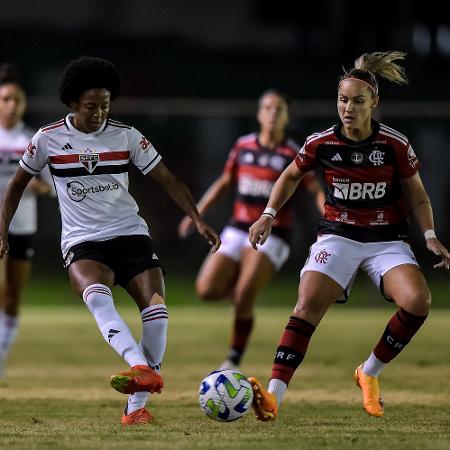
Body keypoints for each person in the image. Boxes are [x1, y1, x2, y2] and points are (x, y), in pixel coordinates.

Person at [0, 57, 220, 425]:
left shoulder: (127, 135)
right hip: (82, 242)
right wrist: (2, 229)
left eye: (105, 105)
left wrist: (197, 218)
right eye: (91, 106)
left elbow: (167, 178)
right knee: (98, 299)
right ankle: (138, 367)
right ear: (72, 103)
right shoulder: (48, 139)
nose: (99, 113)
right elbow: (15, 186)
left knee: (157, 314)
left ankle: (135, 411)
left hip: (130, 233)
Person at [247, 51, 450, 421]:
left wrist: (430, 234)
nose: (348, 108)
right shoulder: (321, 142)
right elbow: (291, 175)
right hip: (337, 237)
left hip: (386, 241)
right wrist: (267, 214)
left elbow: (417, 194)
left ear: (374, 102)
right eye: (343, 100)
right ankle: (273, 398)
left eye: (358, 101)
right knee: (306, 304)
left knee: (418, 301)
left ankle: (368, 372)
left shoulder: (394, 144)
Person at [178, 90, 324, 369]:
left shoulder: (292, 153)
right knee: (206, 290)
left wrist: (331, 215)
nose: (272, 113)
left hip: (274, 233)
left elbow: (314, 189)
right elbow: (224, 182)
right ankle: (241, 293)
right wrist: (196, 213)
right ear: (259, 114)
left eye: (278, 109)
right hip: (237, 228)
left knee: (245, 295)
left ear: (286, 116)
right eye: (267, 108)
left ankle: (233, 358)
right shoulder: (243, 146)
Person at [0, 63, 52, 378]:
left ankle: (2, 355)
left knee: (13, 294)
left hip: (21, 226)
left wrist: (38, 187)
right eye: (5, 99)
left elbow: (54, 187)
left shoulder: (33, 140)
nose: (10, 105)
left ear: (24, 104)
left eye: (16, 100)